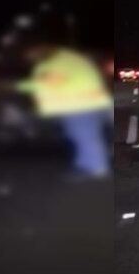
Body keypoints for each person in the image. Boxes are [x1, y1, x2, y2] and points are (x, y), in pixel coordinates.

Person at [16, 43, 113, 180]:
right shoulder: (60, 59)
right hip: (79, 106)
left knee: (85, 138)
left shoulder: (59, 61)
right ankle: (85, 165)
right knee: (80, 137)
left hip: (81, 106)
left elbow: (50, 81)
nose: (28, 58)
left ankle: (96, 168)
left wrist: (17, 86)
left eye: (29, 54)